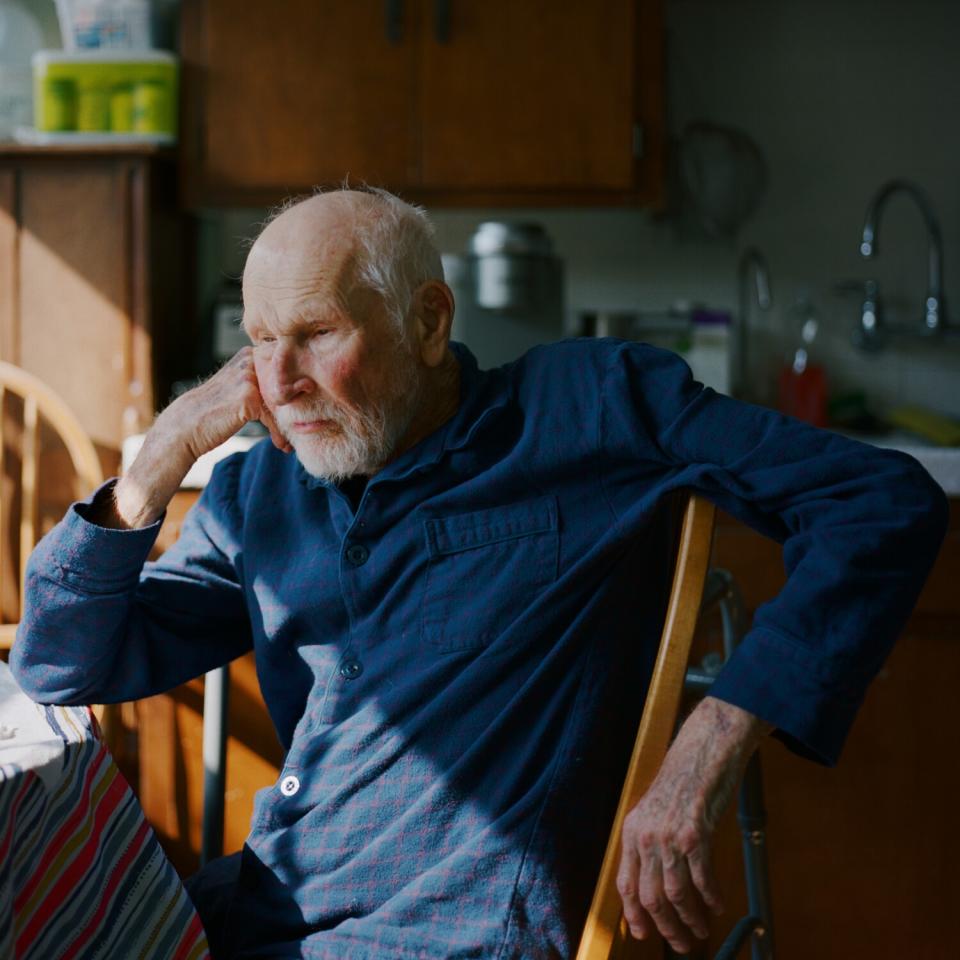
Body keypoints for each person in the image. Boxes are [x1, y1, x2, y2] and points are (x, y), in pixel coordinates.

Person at [11, 188, 947, 960]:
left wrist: (705, 743)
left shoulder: (589, 409)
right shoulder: (262, 490)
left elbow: (881, 503)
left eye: (316, 334)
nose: (279, 383)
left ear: (427, 321)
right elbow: (56, 670)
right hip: (248, 914)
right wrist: (163, 453)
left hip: (439, 939)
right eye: (259, 340)